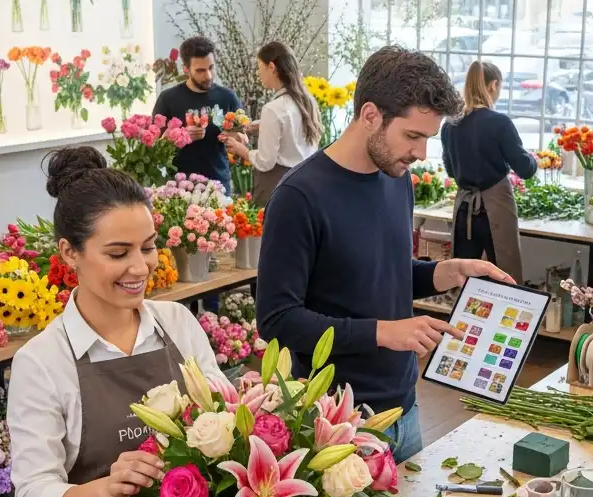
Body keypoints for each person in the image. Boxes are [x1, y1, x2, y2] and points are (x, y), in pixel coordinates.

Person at [7, 147, 227, 497]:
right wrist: (108, 486)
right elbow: (34, 495)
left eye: (149, 248)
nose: (140, 268)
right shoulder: (43, 361)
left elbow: (224, 412)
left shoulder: (177, 324)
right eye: (118, 252)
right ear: (70, 253)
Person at [256, 47, 512, 463]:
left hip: (404, 407)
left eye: (427, 139)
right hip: (336, 422)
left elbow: (380, 273)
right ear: (370, 115)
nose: (421, 154)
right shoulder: (298, 197)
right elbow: (276, 320)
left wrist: (442, 273)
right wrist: (383, 332)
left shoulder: (397, 180)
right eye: (413, 136)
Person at [441, 61, 538, 283]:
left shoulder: (450, 125)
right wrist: (534, 160)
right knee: (505, 275)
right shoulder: (499, 123)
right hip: (496, 206)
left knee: (465, 275)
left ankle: (466, 317)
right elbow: (525, 169)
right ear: (493, 85)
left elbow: (451, 171)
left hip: (464, 207)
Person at [222, 41, 321, 207]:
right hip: (306, 182)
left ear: (272, 67)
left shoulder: (273, 109)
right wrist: (262, 125)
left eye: (260, 67)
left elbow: (265, 161)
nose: (258, 73)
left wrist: (242, 151)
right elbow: (292, 128)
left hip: (278, 183)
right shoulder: (307, 101)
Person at [151, 36, 243, 194]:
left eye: (211, 68)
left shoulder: (228, 97)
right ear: (186, 69)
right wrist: (177, 138)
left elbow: (242, 140)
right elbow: (153, 149)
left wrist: (238, 138)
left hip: (219, 186)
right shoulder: (168, 99)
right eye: (200, 70)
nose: (208, 75)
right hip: (179, 190)